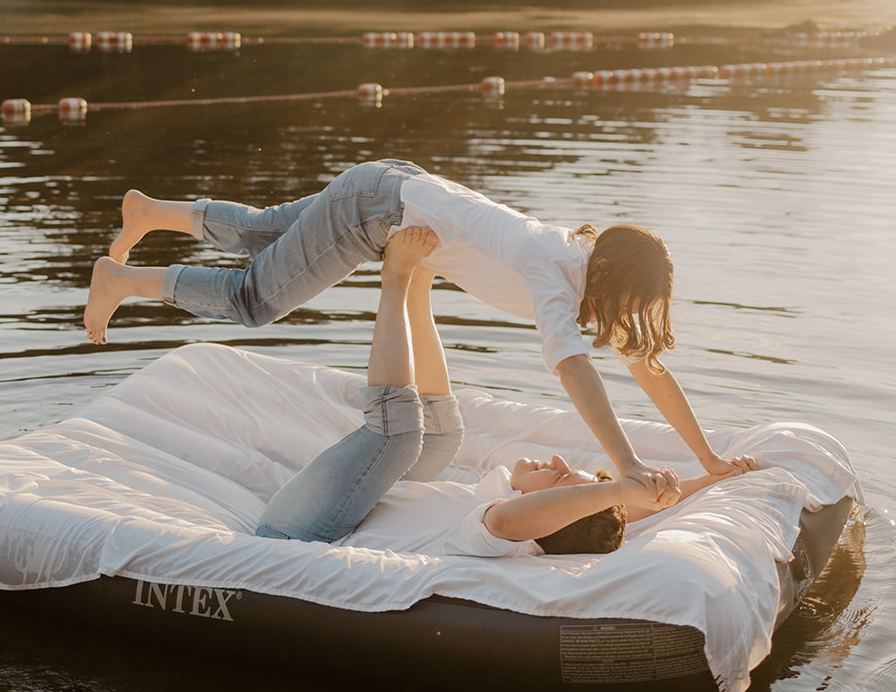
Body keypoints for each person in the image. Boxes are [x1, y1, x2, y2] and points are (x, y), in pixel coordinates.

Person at [83, 158, 738, 491]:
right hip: (378, 207)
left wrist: (706, 457)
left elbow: (645, 366)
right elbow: (573, 370)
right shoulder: (549, 271)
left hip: (390, 182)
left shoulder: (575, 263)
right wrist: (624, 464)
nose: (629, 318)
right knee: (255, 298)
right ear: (615, 282)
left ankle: (148, 212)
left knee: (267, 230)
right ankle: (122, 280)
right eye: (631, 303)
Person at [254, 225, 755, 555]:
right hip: (361, 503)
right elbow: (636, 507)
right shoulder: (508, 497)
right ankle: (422, 287)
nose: (557, 463)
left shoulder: (492, 532)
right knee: (445, 435)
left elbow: (530, 519)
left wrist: (621, 484)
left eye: (562, 483)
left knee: (400, 434)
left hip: (302, 529)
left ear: (549, 519)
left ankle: (398, 277)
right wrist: (714, 475)